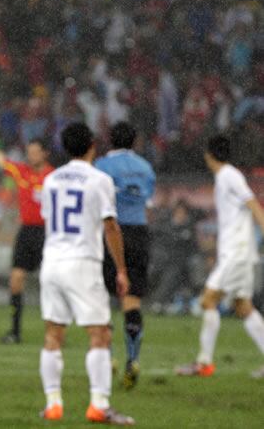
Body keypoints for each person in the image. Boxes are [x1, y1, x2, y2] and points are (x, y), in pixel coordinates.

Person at [39, 122, 134, 425]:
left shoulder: (51, 179)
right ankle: (99, 405)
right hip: (82, 263)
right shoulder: (100, 180)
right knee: (100, 334)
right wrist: (120, 268)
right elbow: (110, 226)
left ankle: (53, 404)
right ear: (92, 144)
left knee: (53, 334)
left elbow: (49, 220)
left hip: (52, 262)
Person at [176, 135, 264, 379]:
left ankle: (204, 362)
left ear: (208, 154)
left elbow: (253, 204)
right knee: (242, 306)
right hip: (240, 251)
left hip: (237, 252)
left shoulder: (229, 176)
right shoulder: (226, 177)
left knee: (208, 300)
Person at [0, 129, 53, 344]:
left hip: (49, 233)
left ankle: (54, 330)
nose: (31, 156)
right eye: (29, 152)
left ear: (45, 154)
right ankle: (15, 331)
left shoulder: (54, 176)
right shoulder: (22, 171)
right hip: (27, 232)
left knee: (52, 282)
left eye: (35, 152)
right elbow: (0, 160)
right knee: (16, 280)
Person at [95, 121, 156, 388]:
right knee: (132, 300)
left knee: (104, 297)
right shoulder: (145, 168)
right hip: (140, 232)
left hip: (112, 232)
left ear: (110, 140)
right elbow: (148, 202)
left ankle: (107, 357)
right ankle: (133, 358)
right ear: (135, 141)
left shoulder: (102, 166)